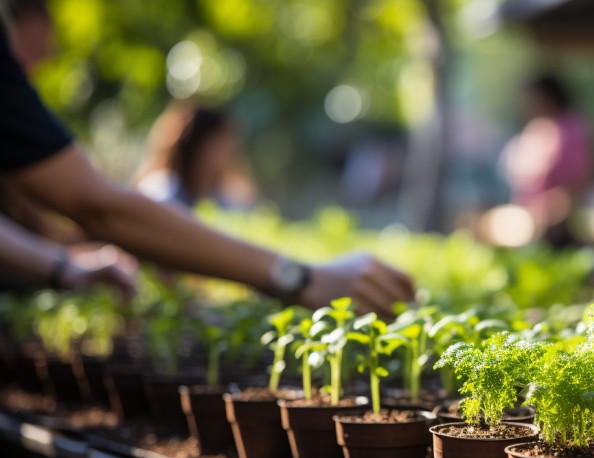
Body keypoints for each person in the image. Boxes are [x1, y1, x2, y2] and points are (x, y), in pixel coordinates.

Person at [0, 12, 413, 313]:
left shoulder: (219, 192)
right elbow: (92, 202)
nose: (51, 53)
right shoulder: (164, 190)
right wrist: (301, 277)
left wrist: (59, 269)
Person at [502, 74, 594, 246]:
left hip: (559, 225)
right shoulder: (537, 128)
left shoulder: (571, 128)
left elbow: (578, 180)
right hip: (531, 222)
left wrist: (552, 211)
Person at [135, 102, 257, 209]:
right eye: (218, 146)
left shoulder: (222, 198)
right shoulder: (161, 190)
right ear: (196, 147)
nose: (228, 155)